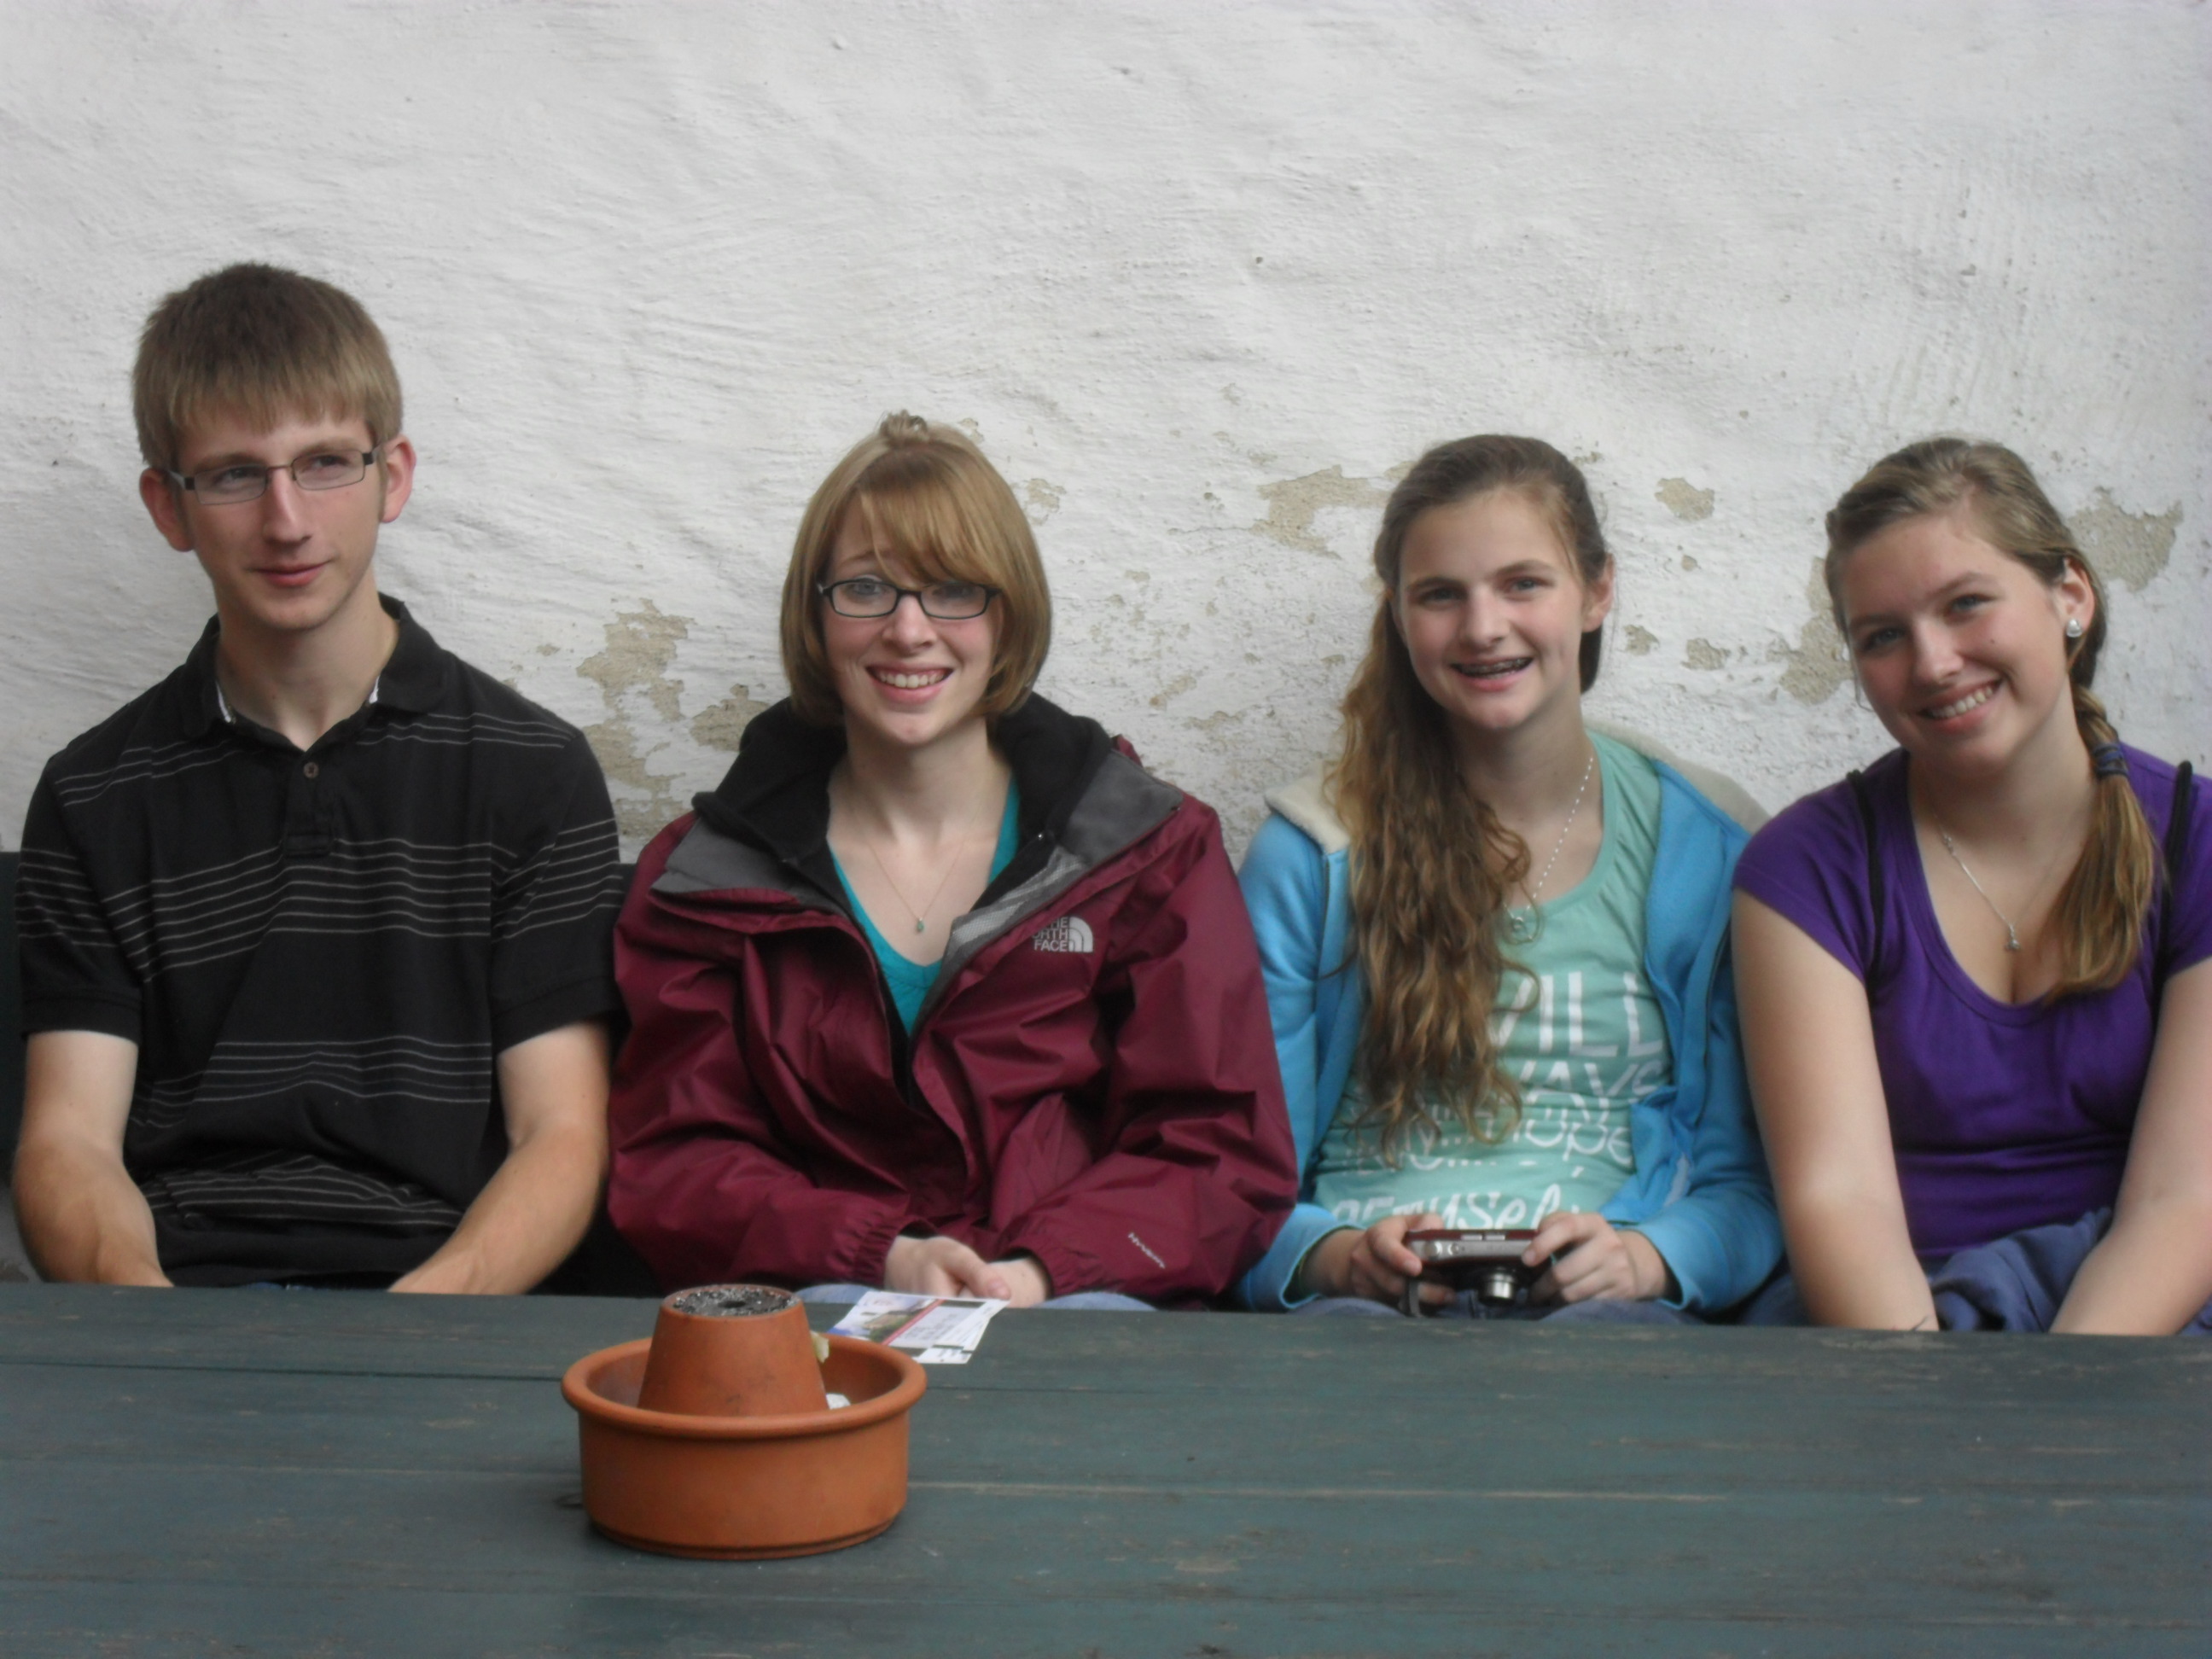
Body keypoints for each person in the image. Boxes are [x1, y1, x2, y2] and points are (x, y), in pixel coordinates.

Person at [11, 263, 623, 1290]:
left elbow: (562, 1134)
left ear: (395, 476)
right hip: (176, 1298)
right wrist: (163, 1333)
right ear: (169, 507)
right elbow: (67, 1144)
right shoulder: (94, 795)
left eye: (327, 462)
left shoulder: (534, 773)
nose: (288, 520)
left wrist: (413, 1327)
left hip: (445, 1298)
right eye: (234, 475)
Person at [607, 413, 1296, 1307]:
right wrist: (879, 1256)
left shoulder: (1145, 851)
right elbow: (678, 1164)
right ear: (815, 615)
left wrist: (1042, 1271)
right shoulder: (705, 878)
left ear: (1009, 615)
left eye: (954, 590)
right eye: (866, 589)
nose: (909, 630)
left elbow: (1216, 1148)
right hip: (824, 1303)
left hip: (1078, 1304)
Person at [1236, 434, 1781, 1318]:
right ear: (1397, 614)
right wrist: (1335, 1260)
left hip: (1609, 1312)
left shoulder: (1709, 845)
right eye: (1440, 595)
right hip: (1368, 1317)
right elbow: (1238, 1186)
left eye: (1523, 583)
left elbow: (1753, 1186)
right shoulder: (1314, 855)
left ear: (1597, 591)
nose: (1483, 627)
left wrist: (1650, 1259)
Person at [1732, 438, 2212, 1334]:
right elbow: (1840, 1201)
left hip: (2148, 1321)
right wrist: (1928, 1401)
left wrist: (2060, 1398)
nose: (1934, 663)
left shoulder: (2199, 842)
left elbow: (2184, 1202)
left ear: (2070, 597)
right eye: (1883, 637)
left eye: (1966, 605)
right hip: (1898, 1330)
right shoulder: (1806, 867)